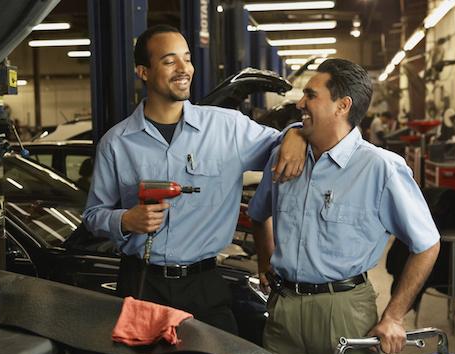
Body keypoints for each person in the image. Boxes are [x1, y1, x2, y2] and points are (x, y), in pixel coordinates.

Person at [83, 24, 305, 334]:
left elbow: (282, 147)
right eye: (169, 60)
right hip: (141, 282)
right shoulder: (117, 143)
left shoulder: (227, 128)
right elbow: (93, 215)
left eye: (187, 58)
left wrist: (295, 134)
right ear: (143, 72)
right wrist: (126, 219)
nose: (184, 68)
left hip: (204, 285)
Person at [248, 58, 440, 354]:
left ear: (342, 105)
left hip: (345, 312)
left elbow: (427, 244)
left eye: (311, 95)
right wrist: (266, 265)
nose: (301, 103)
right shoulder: (286, 155)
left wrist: (394, 316)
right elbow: (259, 213)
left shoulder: (380, 168)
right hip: (285, 309)